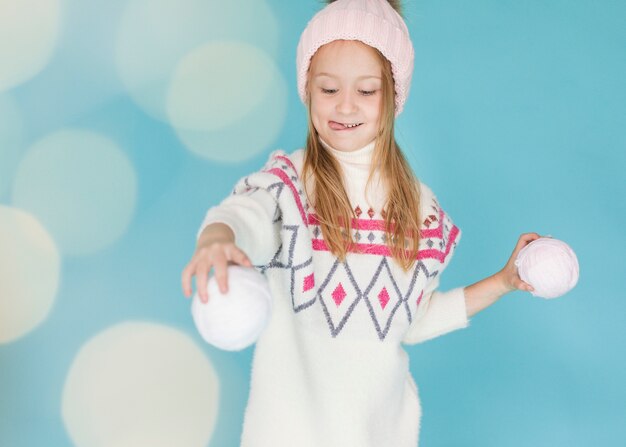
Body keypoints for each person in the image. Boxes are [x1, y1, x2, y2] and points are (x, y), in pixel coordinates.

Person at [181, 0, 542, 445]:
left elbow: (411, 320)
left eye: (366, 90)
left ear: (392, 96)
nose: (345, 105)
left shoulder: (418, 209)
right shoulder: (290, 187)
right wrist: (218, 238)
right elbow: (247, 216)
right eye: (328, 89)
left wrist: (504, 281)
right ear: (307, 89)